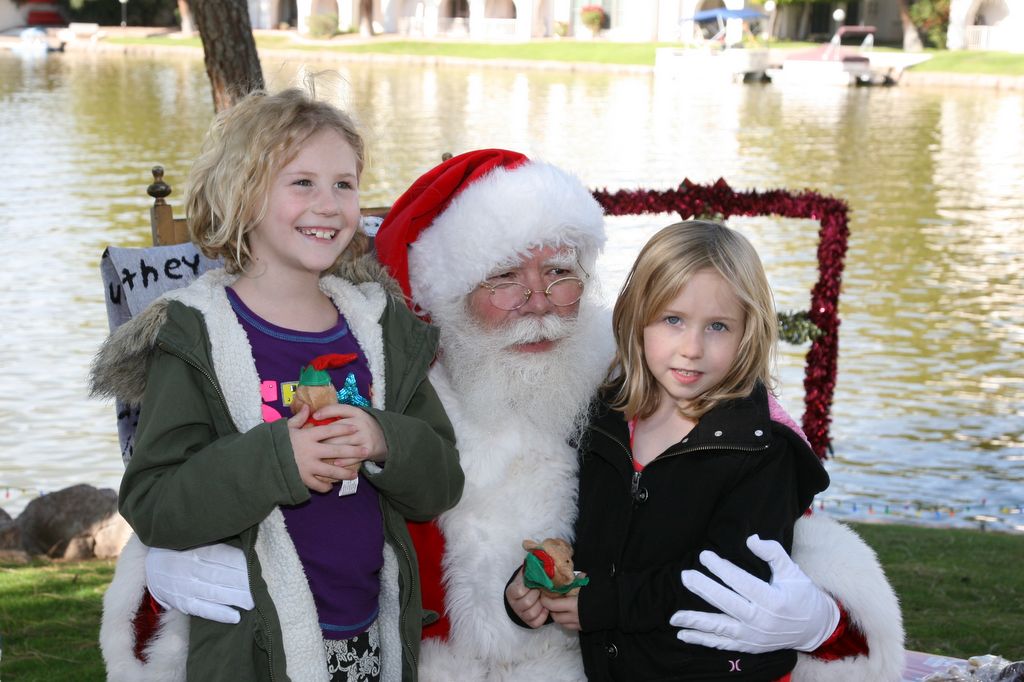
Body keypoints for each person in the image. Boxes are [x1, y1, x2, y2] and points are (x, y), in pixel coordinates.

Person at [128, 149, 905, 681]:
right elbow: (225, 477)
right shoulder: (381, 380)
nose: (539, 301)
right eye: (504, 275)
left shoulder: (629, 361)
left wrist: (821, 618)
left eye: (560, 271)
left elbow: (758, 446)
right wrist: (164, 561)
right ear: (445, 296)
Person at [90, 87, 463, 682]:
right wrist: (277, 458)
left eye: (344, 184)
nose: (328, 204)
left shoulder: (381, 330)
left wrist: (383, 436)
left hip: (372, 644)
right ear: (243, 196)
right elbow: (155, 502)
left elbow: (441, 482)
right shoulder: (196, 338)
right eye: (302, 183)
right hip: (254, 652)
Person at [506, 219, 830, 681]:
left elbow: (732, 581)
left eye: (718, 326)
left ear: (747, 333)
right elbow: (582, 534)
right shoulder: (605, 420)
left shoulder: (759, 448)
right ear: (638, 318)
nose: (692, 348)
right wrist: (534, 586)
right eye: (673, 319)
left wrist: (607, 604)